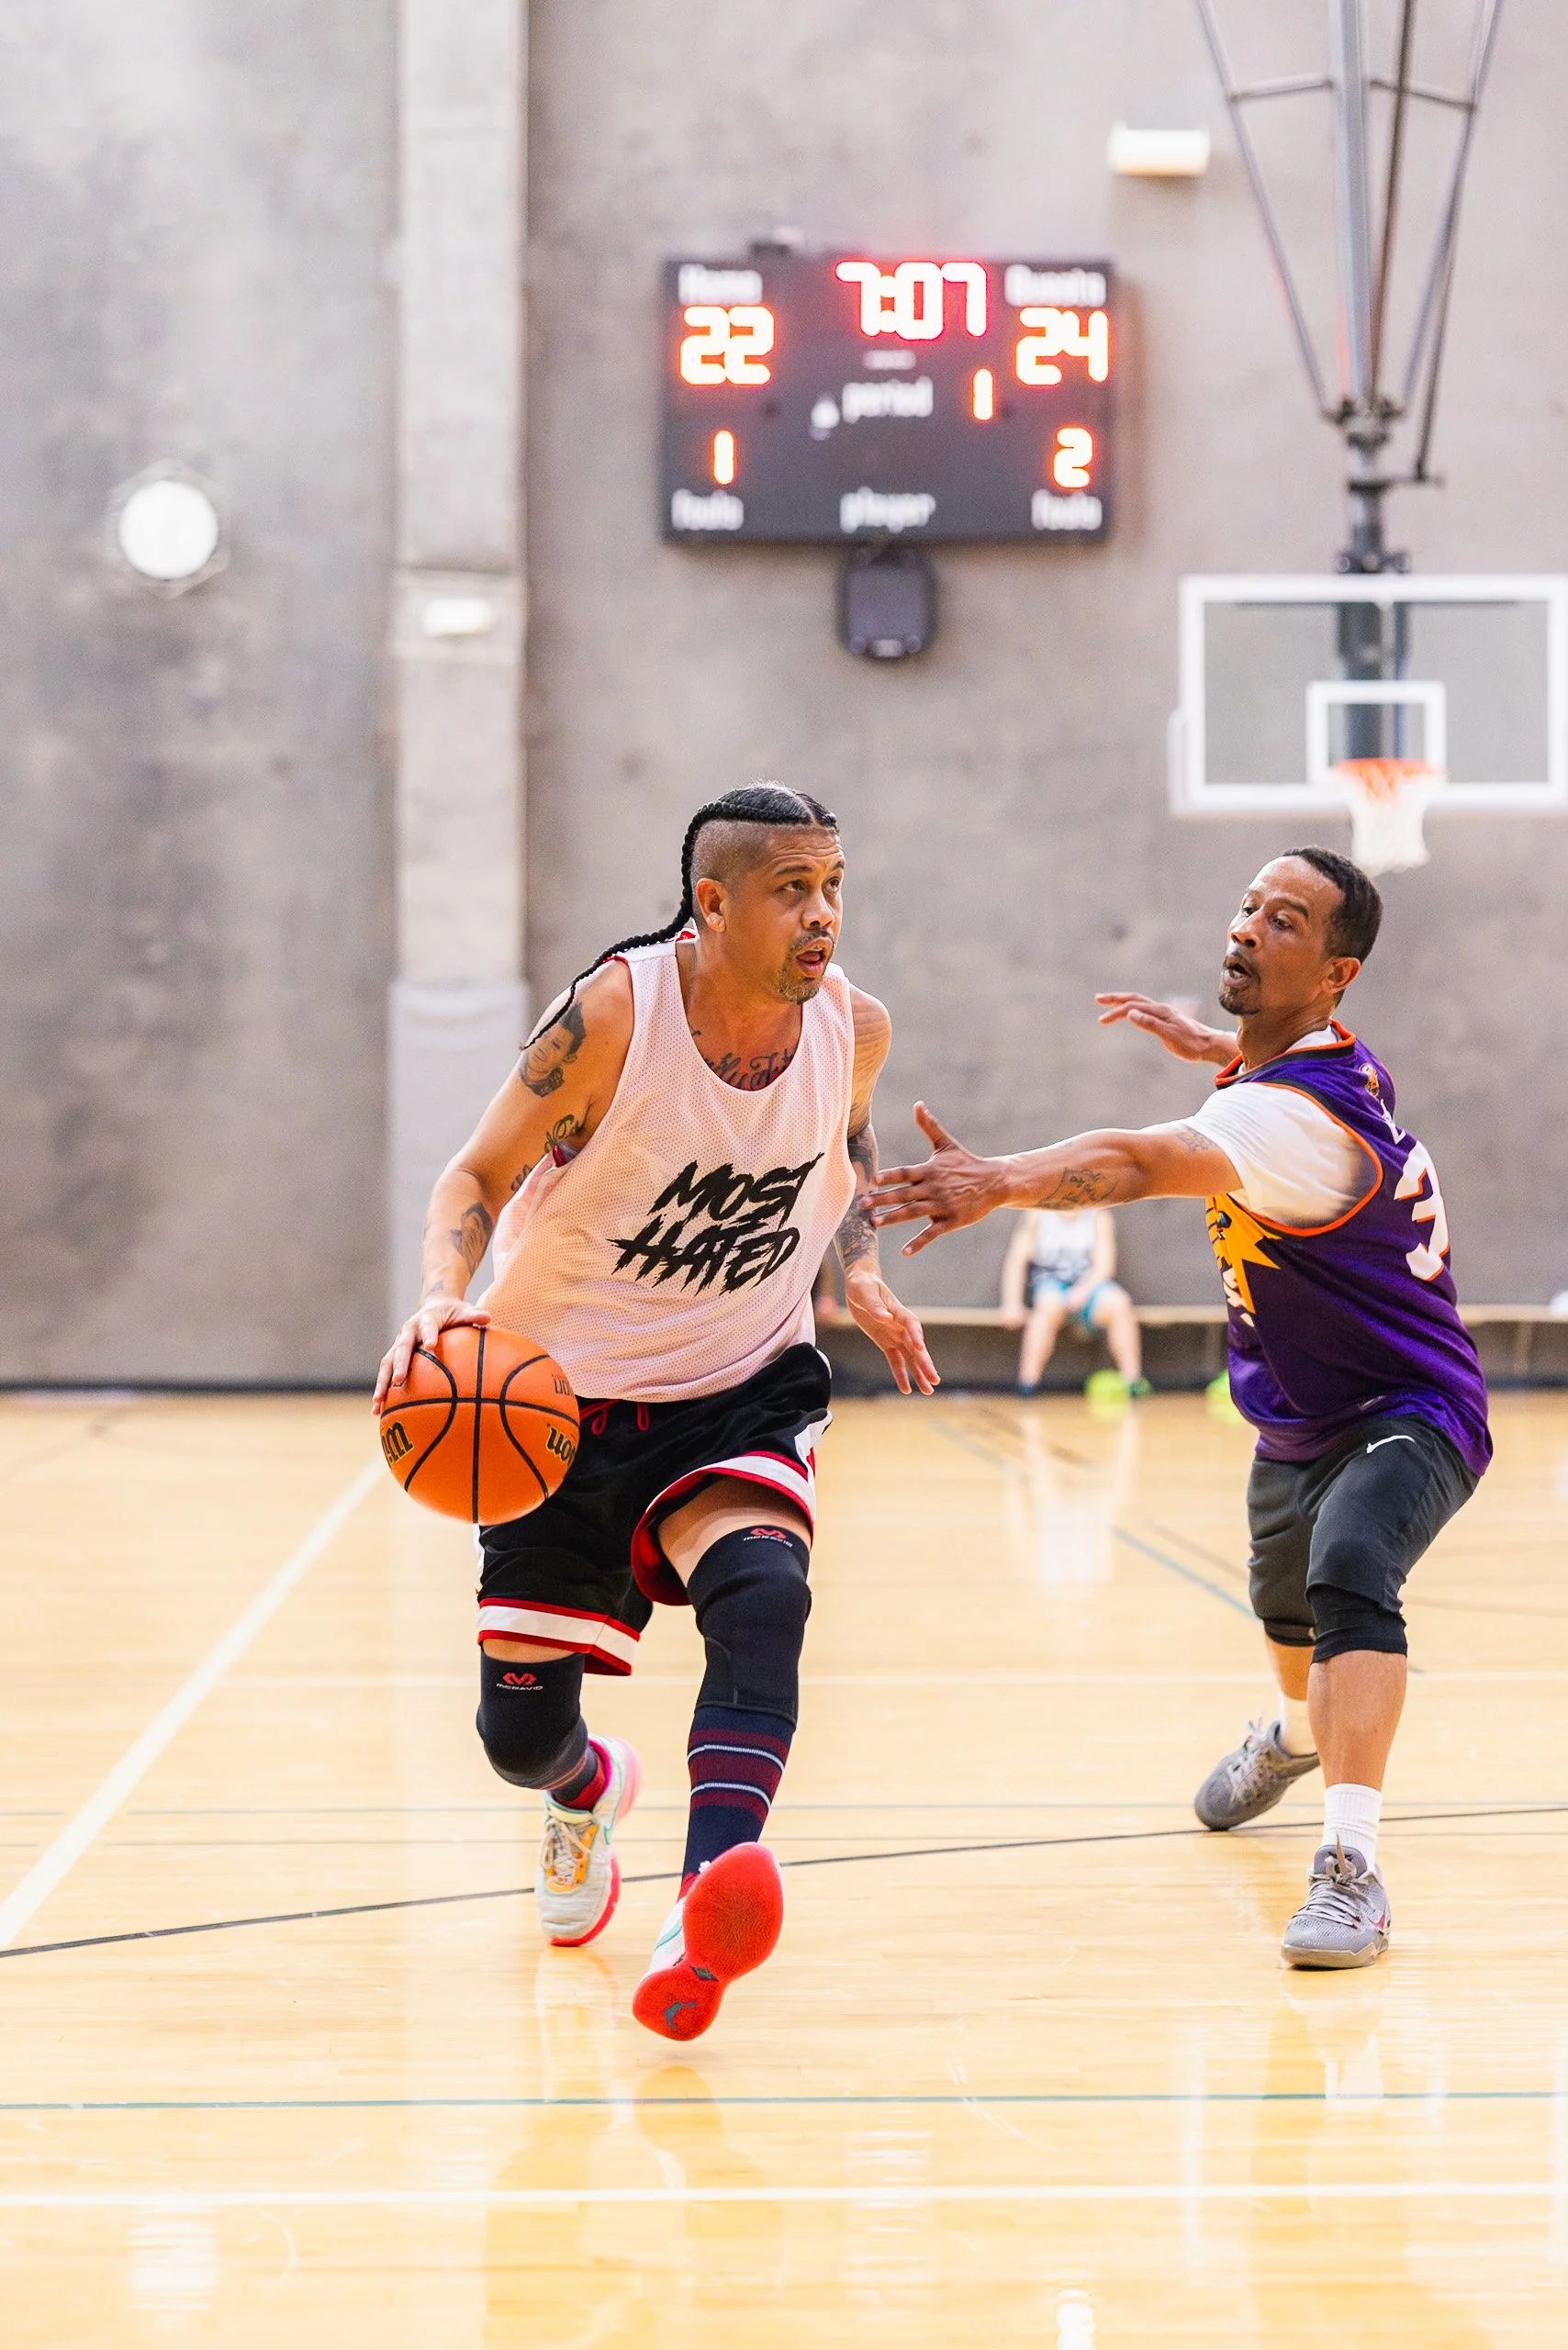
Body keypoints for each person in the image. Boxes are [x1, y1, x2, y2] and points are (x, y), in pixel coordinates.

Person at [375, 784, 936, 2039]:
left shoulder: (854, 1026)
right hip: (555, 1400)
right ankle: (586, 1790)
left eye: (834, 886)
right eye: (793, 889)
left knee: (765, 1595)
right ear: (713, 902)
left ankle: (702, 1905)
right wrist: (439, 1302)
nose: (823, 913)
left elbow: (849, 1147)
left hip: (738, 1383)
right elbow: (477, 1170)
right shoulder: (615, 1015)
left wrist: (857, 1271)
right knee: (518, 1737)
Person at [869, 847, 1490, 1970]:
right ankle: (1293, 1736)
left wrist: (1000, 1179)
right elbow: (1292, 1076)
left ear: (1335, 971)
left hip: (1413, 1401)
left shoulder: (1286, 1122)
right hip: (1296, 1408)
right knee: (1282, 1606)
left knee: (1351, 1566)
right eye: (1249, 905)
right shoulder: (1325, 1065)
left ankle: (1351, 1866)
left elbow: (1133, 1159)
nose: (1248, 926)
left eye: (1285, 920)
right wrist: (1217, 1047)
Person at [1000, 1204, 1148, 1396]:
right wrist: (1011, 1304)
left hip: (1089, 1286)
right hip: (1049, 1284)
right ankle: (1028, 1383)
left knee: (1119, 1303)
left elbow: (1104, 1266)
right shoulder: (1037, 1215)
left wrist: (1083, 1290)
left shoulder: (1099, 1216)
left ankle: (1132, 1382)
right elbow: (1016, 1261)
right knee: (1048, 1305)